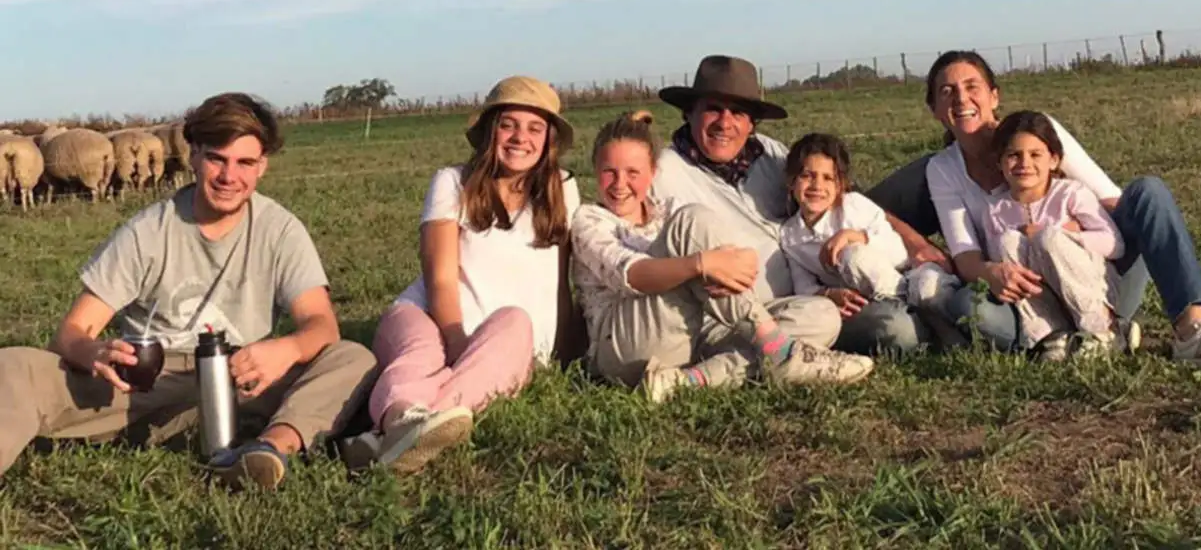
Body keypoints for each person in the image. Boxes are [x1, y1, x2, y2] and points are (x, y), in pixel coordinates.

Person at [0, 92, 378, 490]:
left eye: (245, 162)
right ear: (193, 155)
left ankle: (267, 452)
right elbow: (71, 333)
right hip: (145, 384)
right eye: (217, 158)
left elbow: (321, 325)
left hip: (242, 379)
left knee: (352, 357)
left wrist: (287, 349)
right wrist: (94, 352)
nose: (229, 176)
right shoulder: (149, 230)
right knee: (15, 366)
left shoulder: (280, 229)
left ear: (262, 166)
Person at [901, 49, 1201, 367]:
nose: (960, 99)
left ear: (994, 96)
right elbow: (966, 256)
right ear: (933, 108)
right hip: (1027, 292)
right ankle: (1059, 338)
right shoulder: (943, 169)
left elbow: (1112, 205)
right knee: (971, 308)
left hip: (1092, 271)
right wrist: (992, 272)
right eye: (946, 92)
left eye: (971, 87)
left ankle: (1191, 327)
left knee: (1147, 192)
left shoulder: (1038, 132)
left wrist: (1065, 235)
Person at [344, 76, 581, 475]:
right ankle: (406, 420)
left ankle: (388, 436)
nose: (520, 137)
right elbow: (438, 276)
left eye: (535, 128)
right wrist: (455, 339)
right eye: (509, 124)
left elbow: (564, 278)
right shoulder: (453, 181)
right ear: (490, 131)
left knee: (515, 320)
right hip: (434, 314)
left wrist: (569, 346)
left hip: (507, 339)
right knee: (421, 353)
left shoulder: (563, 188)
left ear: (548, 140)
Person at [649, 55, 951, 359]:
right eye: (713, 108)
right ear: (689, 112)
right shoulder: (661, 174)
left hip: (834, 271)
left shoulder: (771, 154)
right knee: (899, 331)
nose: (725, 123)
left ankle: (935, 290)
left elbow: (845, 198)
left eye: (738, 112)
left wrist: (915, 243)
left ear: (752, 121)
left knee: (926, 172)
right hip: (768, 310)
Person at [572, 111, 874, 403]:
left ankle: (689, 381)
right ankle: (779, 353)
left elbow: (720, 257)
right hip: (626, 345)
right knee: (693, 220)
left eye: (633, 173)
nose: (620, 184)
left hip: (693, 331)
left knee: (821, 315)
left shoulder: (667, 208)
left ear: (652, 173)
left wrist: (733, 263)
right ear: (595, 172)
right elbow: (631, 275)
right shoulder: (590, 220)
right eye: (609, 172)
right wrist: (699, 265)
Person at [779, 133, 964, 345]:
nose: (817, 186)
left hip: (906, 274)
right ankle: (919, 325)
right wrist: (828, 293)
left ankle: (952, 326)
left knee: (856, 256)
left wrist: (856, 236)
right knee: (891, 324)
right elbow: (802, 285)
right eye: (807, 176)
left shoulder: (853, 205)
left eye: (828, 178)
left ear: (840, 185)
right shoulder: (790, 237)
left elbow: (898, 251)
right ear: (791, 181)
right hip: (869, 297)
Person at [981, 110, 1136, 360]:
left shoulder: (1070, 194)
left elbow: (1115, 245)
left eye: (1035, 155)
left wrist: (1063, 234)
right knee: (1007, 242)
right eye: (1013, 155)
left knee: (1048, 239)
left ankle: (1104, 329)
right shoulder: (994, 210)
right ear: (999, 162)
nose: (1024, 164)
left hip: (1091, 287)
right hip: (1045, 300)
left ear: (1053, 160)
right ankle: (1051, 334)